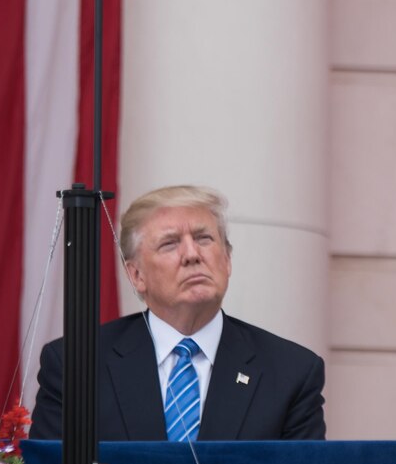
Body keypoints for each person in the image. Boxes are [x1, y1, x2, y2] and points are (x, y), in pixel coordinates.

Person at [29, 185, 325, 441]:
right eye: (170, 243)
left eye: (204, 238)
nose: (192, 254)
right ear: (136, 275)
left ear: (227, 260)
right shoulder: (76, 365)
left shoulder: (291, 372)